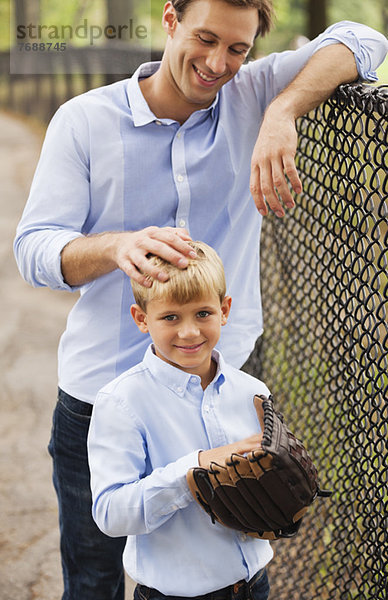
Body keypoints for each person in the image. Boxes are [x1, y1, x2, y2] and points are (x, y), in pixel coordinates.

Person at [13, 0, 388, 598]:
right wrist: (114, 246)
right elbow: (33, 250)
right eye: (205, 38)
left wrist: (282, 112)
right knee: (93, 579)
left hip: (216, 395)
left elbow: (365, 39)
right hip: (100, 395)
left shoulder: (254, 93)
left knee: (212, 577)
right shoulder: (83, 120)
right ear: (170, 19)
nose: (217, 63)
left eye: (237, 49)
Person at [88, 240, 273, 599]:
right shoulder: (122, 402)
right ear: (142, 319)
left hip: (252, 586)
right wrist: (197, 470)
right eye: (171, 317)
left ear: (225, 310)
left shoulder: (252, 391)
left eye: (203, 313)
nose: (189, 332)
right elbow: (110, 514)